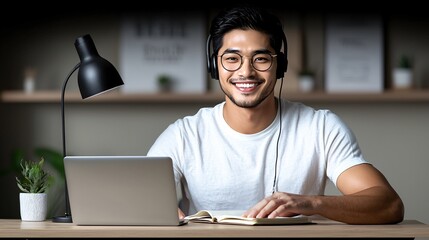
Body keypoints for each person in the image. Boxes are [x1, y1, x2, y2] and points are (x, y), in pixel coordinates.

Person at [147, 5, 404, 224]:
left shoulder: (321, 127)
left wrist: (310, 203)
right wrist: (160, 214)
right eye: (232, 58)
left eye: (260, 58)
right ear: (214, 66)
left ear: (279, 66)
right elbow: (141, 202)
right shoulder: (183, 135)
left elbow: (389, 205)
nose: (246, 72)